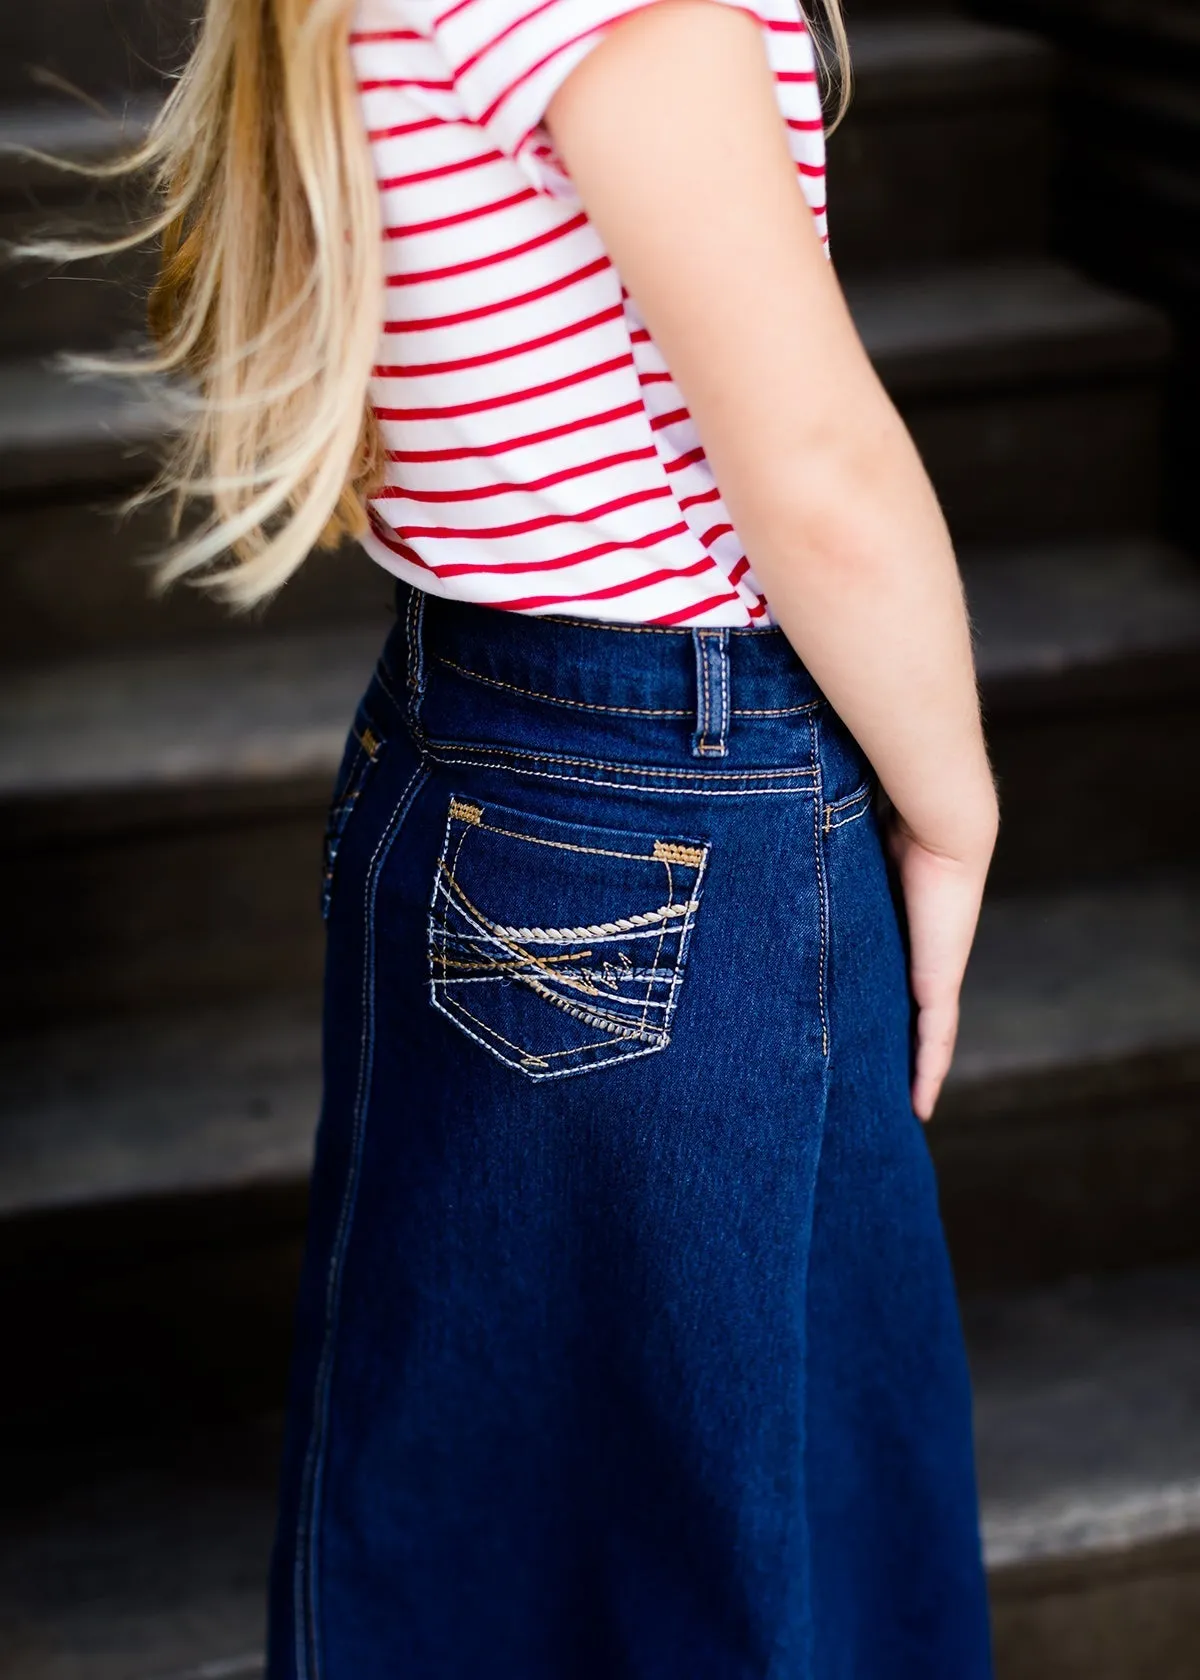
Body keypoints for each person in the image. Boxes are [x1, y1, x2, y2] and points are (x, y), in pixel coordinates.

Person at [85, 0, 1000, 1671]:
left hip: (477, 747)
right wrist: (958, 810)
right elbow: (817, 474)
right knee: (744, 1564)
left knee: (486, 1544)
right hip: (666, 813)